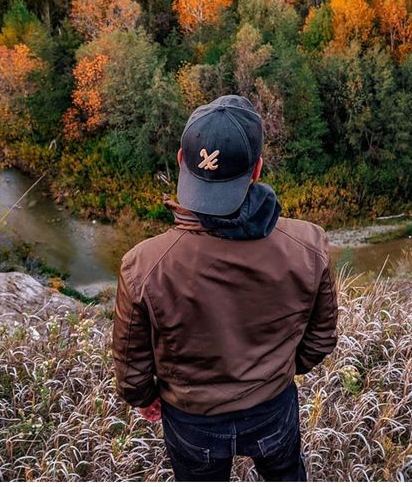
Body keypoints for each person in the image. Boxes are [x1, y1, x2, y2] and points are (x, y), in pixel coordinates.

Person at [111, 95, 338, 481]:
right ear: (257, 169)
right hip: (273, 407)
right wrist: (280, 370)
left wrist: (145, 398)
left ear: (181, 161)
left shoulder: (143, 266)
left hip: (192, 419)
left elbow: (131, 363)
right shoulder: (309, 244)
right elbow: (321, 338)